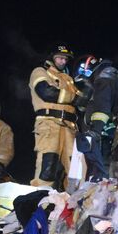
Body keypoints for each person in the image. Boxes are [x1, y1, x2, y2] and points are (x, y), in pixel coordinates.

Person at [28, 45, 78, 187]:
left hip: (69, 127)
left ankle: (74, 198)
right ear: (51, 58)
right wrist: (75, 97)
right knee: (48, 167)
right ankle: (40, 197)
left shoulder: (68, 79)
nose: (63, 61)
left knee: (75, 169)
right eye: (60, 58)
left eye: (65, 59)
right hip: (49, 123)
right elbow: (46, 92)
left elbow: (82, 100)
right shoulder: (40, 72)